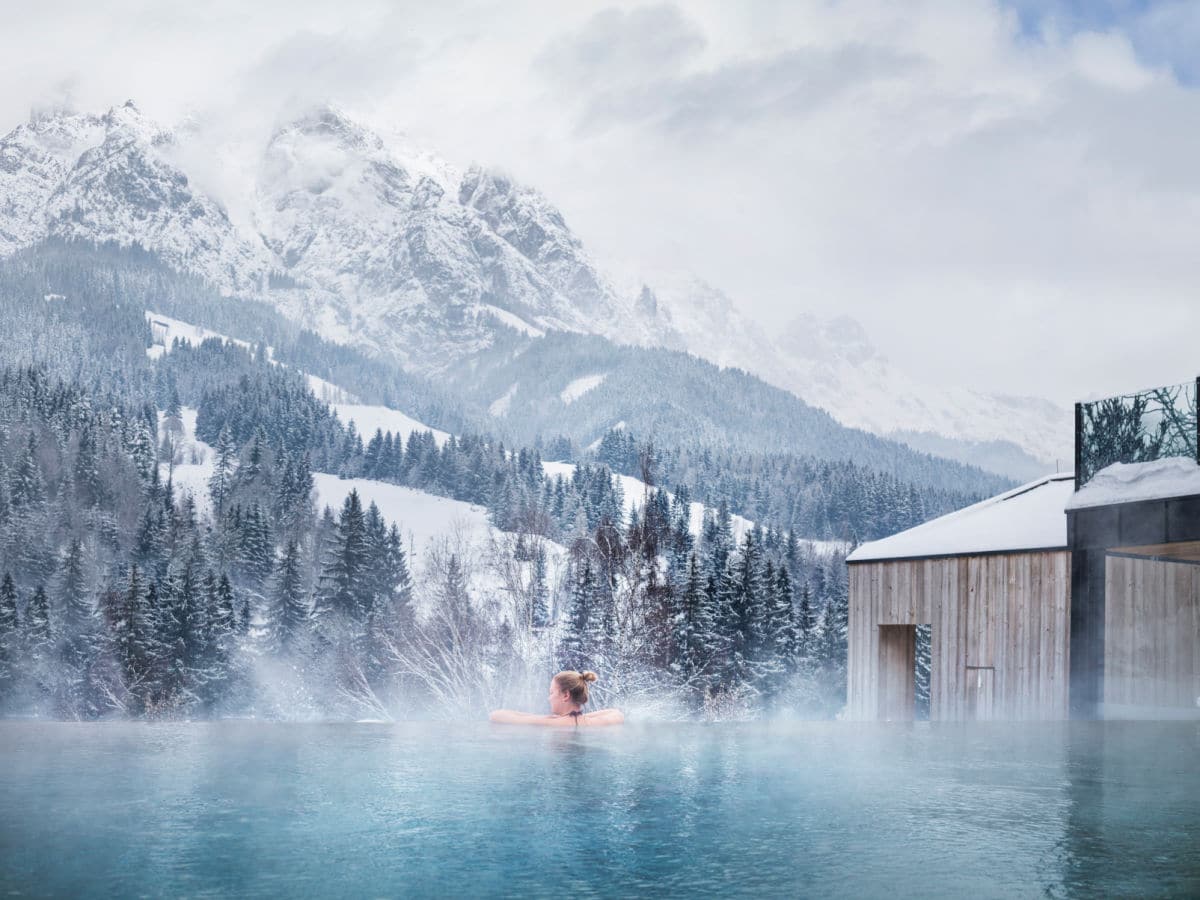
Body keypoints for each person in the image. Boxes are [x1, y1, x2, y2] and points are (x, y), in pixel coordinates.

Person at [488, 670, 625, 727]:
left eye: (552, 692)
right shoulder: (592, 723)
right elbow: (617, 714)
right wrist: (578, 716)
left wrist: (551, 718)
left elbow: (495, 716)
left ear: (566, 695)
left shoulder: (552, 724)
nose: (549, 698)